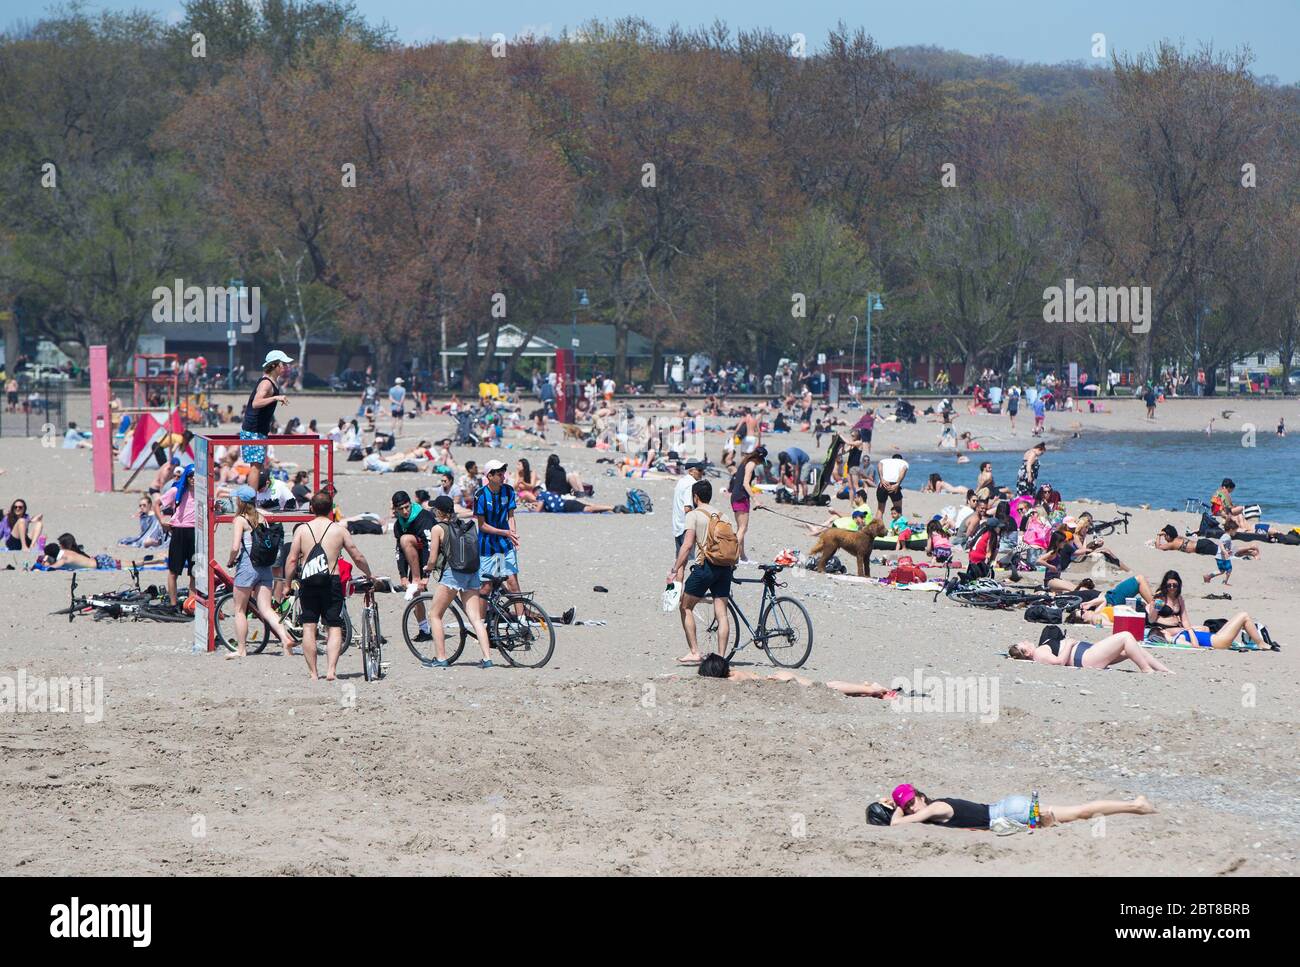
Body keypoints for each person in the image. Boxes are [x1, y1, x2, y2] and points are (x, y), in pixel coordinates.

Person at [283, 490, 374, 680]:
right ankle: (331, 670)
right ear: (331, 509)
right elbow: (356, 555)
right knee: (333, 626)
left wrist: (286, 584)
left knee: (309, 626)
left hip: (308, 580)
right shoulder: (339, 530)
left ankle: (313, 673)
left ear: (311, 508)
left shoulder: (302, 530)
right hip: (331, 580)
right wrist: (369, 574)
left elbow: (292, 560)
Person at [667, 479, 736, 665]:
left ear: (695, 496)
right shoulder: (723, 515)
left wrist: (675, 570)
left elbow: (687, 544)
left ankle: (695, 652)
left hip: (705, 567)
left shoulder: (694, 515)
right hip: (725, 568)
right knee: (721, 614)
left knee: (685, 606)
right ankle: (721, 658)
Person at [884, 784, 1155, 831]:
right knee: (1075, 813)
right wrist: (897, 802)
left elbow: (897, 824)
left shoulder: (933, 808)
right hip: (1007, 808)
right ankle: (1133, 806)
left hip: (1011, 812)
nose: (911, 807)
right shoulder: (935, 806)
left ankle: (1134, 805)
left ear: (920, 796)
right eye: (907, 805)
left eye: (911, 801)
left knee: (1079, 812)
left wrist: (897, 809)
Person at [421, 496, 493, 667]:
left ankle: (441, 658)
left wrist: (427, 568)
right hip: (471, 573)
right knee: (476, 618)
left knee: (435, 615)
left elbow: (432, 559)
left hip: (453, 575)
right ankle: (487, 658)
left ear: (438, 511)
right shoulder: (462, 525)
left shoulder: (438, 528)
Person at [225, 484, 290, 658]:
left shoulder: (240, 519)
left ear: (239, 500)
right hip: (265, 566)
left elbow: (235, 547)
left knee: (240, 609)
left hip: (248, 566)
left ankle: (241, 649)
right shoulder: (263, 517)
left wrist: (230, 561)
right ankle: (285, 638)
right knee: (267, 609)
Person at [1143, 570, 1275, 650]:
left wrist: (1190, 632)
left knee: (1210, 626)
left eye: (1174, 585)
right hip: (1218, 642)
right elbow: (1152, 620)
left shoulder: (1179, 601)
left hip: (1213, 638)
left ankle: (1260, 642)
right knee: (1243, 615)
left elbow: (1186, 622)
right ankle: (1261, 643)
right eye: (1169, 585)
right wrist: (1156, 609)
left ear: (1179, 585)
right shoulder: (1160, 601)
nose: (1171, 587)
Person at [697, 653, 896, 697]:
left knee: (827, 688)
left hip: (781, 681)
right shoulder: (734, 673)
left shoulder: (732, 678)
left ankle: (870, 689)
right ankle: (865, 688)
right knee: (826, 686)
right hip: (778, 677)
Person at [239, 350, 292, 495]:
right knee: (256, 467)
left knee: (257, 465)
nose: (286, 367)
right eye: (283, 364)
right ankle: (250, 502)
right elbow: (256, 403)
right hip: (253, 430)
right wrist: (275, 398)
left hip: (258, 430)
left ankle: (251, 499)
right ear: (274, 365)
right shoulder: (266, 383)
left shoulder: (271, 381)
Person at [474, 459, 523, 614]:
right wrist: (505, 533)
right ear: (490, 476)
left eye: (504, 474)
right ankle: (481, 624)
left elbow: (511, 516)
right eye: (500, 475)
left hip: (505, 544)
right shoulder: (480, 495)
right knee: (487, 586)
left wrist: (512, 535)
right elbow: (481, 525)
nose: (504, 477)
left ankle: (522, 623)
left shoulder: (508, 491)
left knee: (513, 583)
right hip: (487, 547)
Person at [1008, 628, 1173, 673]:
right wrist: (1070, 644)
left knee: (1130, 648)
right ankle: (1146, 670)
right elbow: (1058, 663)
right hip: (1086, 658)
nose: (1026, 641)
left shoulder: (1040, 649)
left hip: (1087, 653)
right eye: (1023, 644)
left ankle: (1163, 670)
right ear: (1027, 653)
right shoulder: (1039, 653)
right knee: (1125, 636)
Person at [391, 490, 436, 642]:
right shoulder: (398, 524)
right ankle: (424, 630)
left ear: (411, 503)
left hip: (438, 552)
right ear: (395, 510)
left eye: (407, 507)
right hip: (417, 555)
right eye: (401, 509)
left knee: (405, 540)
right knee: (415, 593)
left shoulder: (423, 517)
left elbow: (431, 547)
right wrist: (403, 576)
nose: (405, 511)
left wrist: (426, 576)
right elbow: (400, 552)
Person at [155, 465, 197, 608]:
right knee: (174, 571)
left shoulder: (202, 492)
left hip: (195, 533)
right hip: (179, 532)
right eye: (191, 476)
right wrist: (161, 520)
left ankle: (191, 605)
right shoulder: (176, 490)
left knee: (195, 572)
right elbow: (157, 503)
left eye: (196, 476)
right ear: (186, 476)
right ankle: (173, 605)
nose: (193, 479)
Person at [671, 460, 707, 582]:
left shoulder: (681, 481)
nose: (702, 473)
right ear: (691, 471)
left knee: (680, 560)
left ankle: (678, 592)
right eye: (700, 470)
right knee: (686, 562)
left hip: (677, 525)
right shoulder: (691, 485)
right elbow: (687, 508)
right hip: (685, 527)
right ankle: (682, 593)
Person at [728, 446, 765, 564]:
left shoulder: (745, 461)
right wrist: (755, 500)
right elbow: (745, 484)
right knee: (743, 528)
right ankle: (734, 556)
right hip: (741, 496)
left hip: (736, 495)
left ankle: (742, 556)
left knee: (741, 528)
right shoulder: (751, 464)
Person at [875, 452, 909, 518]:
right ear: (901, 459)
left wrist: (881, 479)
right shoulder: (903, 462)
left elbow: (879, 465)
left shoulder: (885, 461)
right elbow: (903, 470)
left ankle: (877, 528)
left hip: (882, 484)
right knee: (898, 509)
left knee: (880, 510)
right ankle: (899, 527)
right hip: (894, 484)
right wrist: (897, 484)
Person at [1205, 520, 1238, 586]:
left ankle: (1208, 576)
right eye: (1235, 530)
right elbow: (1221, 544)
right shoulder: (1227, 537)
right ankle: (1225, 582)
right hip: (1223, 557)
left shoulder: (1225, 535)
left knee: (1221, 571)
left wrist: (1228, 551)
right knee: (1229, 569)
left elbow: (1223, 544)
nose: (1236, 532)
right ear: (1231, 530)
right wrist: (1225, 552)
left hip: (1219, 557)